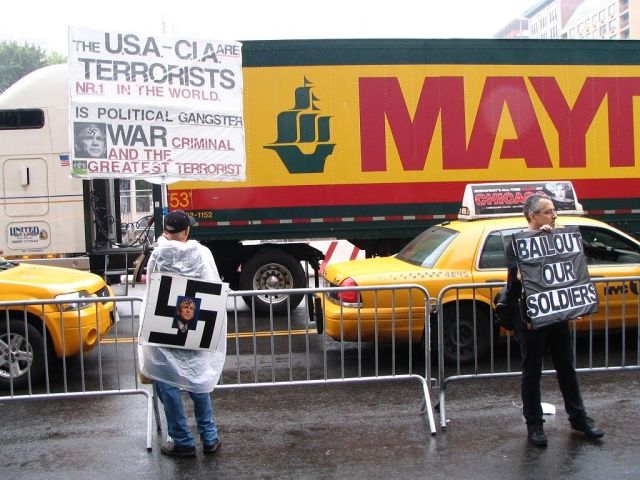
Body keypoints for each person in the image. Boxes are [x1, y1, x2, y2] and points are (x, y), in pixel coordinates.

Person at [505, 193, 604, 447]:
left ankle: (579, 418)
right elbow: (516, 281)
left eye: (554, 210)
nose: (554, 215)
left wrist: (551, 241)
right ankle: (535, 425)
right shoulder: (517, 243)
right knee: (532, 372)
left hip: (555, 315)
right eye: (549, 211)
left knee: (567, 367)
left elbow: (568, 273)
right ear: (533, 216)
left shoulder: (557, 238)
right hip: (530, 317)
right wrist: (536, 247)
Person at [138, 210, 227, 458]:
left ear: (166, 230)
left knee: (167, 380)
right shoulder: (201, 254)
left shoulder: (158, 253)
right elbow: (212, 286)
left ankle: (182, 441)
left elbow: (151, 288)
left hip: (163, 325)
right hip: (194, 324)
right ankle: (209, 438)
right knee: (197, 380)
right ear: (186, 231)